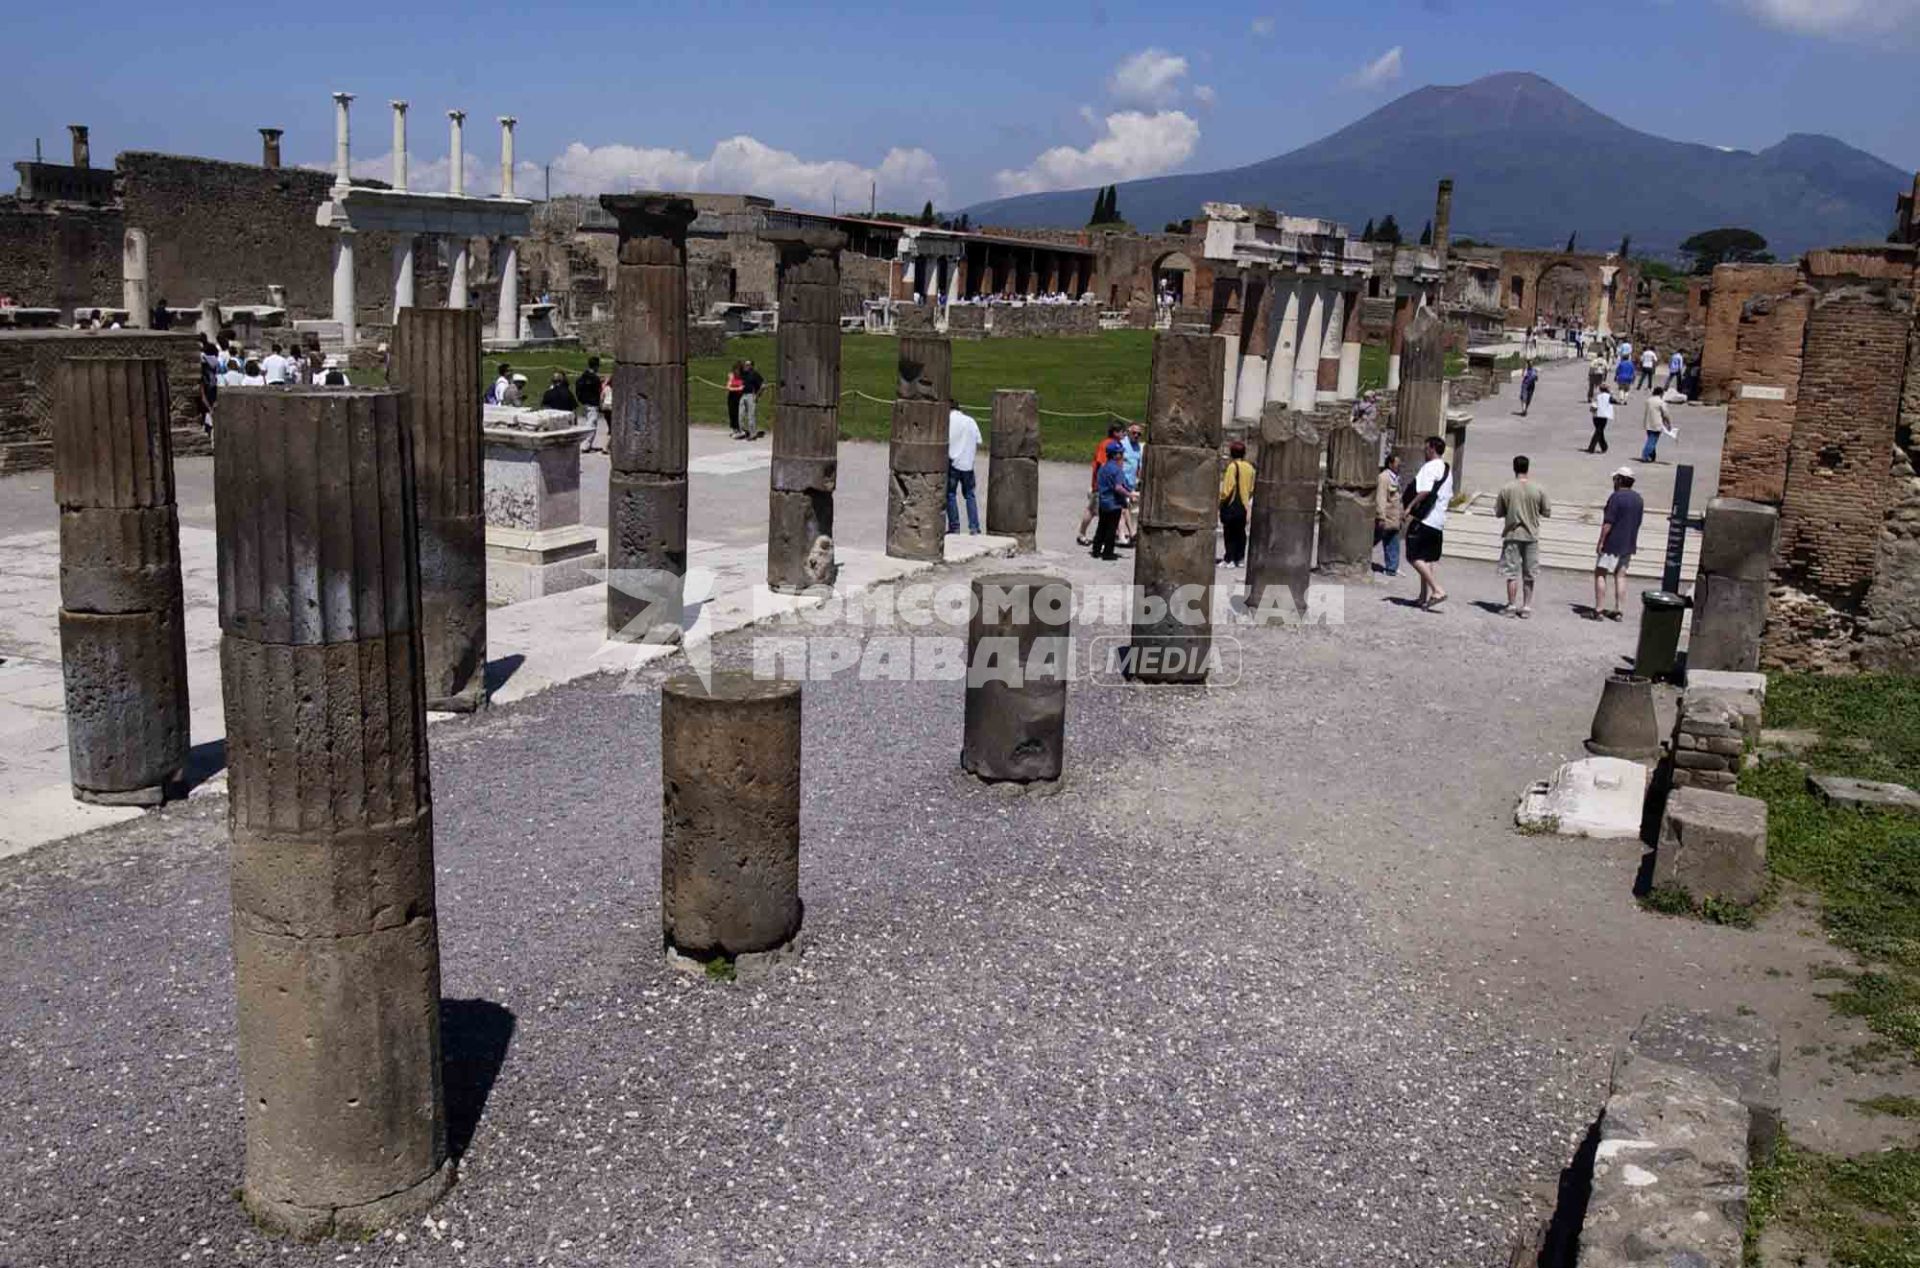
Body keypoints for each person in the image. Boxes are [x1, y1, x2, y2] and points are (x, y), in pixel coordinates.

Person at [1494, 455, 1551, 618]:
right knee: (1529, 573)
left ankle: (1511, 605)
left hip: (1512, 534)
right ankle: (1526, 606)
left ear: (1514, 468)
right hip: (1531, 535)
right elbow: (1546, 512)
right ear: (1528, 468)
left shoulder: (1507, 488)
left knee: (1512, 573)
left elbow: (1498, 512)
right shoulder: (1538, 489)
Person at [1403, 435, 1453, 610]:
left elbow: (1424, 491)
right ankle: (1423, 597)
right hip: (1438, 521)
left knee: (1413, 556)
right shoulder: (1447, 469)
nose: (1424, 451)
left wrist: (1409, 507)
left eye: (1426, 448)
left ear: (1432, 448)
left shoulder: (1429, 467)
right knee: (1426, 559)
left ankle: (1437, 590)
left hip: (1425, 519)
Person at [1593, 467, 1644, 620]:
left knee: (1601, 573)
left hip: (1612, 543)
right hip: (1629, 543)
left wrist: (1601, 541)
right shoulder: (1638, 499)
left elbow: (1608, 523)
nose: (1613, 482)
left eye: (1615, 479)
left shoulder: (1616, 498)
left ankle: (1599, 609)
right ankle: (1619, 610)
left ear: (1620, 480)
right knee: (1621, 576)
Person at [1077, 424, 1126, 545]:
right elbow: (1103, 465)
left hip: (1112, 484)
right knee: (1095, 510)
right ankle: (1082, 534)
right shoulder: (1106, 445)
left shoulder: (1117, 444)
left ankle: (1120, 536)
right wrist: (1102, 484)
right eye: (1122, 432)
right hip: (1103, 485)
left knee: (1115, 510)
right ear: (1115, 432)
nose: (1124, 434)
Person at [1090, 439, 1133, 561]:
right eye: (1120, 453)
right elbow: (1118, 487)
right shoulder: (1117, 470)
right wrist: (1129, 495)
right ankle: (1108, 553)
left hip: (1103, 501)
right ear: (1115, 455)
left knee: (1102, 526)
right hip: (1114, 503)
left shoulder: (1103, 468)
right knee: (1111, 528)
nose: (1122, 455)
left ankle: (1096, 550)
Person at [946, 400, 983, 534]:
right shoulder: (970, 421)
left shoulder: (948, 420)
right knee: (970, 495)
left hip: (953, 462)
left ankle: (954, 526)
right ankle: (974, 527)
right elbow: (979, 440)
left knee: (950, 494)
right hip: (968, 463)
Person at [1218, 439, 1255, 567]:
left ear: (1232, 453)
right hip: (1244, 505)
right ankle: (1240, 558)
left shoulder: (1232, 467)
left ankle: (1229, 558)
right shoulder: (1250, 468)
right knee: (1240, 532)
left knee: (1229, 532)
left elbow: (1228, 488)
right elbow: (1251, 489)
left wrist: (1221, 500)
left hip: (1232, 504)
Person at [1374, 454, 1403, 577]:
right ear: (1390, 464)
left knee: (1393, 542)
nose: (1399, 465)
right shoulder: (1384, 477)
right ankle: (1355, 557)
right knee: (1373, 539)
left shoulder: (1395, 478)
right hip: (1386, 517)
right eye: (1397, 463)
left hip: (1394, 518)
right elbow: (1380, 497)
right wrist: (1380, 516)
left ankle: (1392, 568)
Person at [1119, 422, 1144, 545]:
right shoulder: (1122, 444)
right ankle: (1125, 535)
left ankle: (1124, 534)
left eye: (1139, 434)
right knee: (1123, 509)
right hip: (1120, 482)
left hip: (1131, 483)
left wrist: (1139, 480)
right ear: (1128, 432)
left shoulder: (1138, 447)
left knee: (1126, 509)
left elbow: (1138, 466)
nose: (1136, 435)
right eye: (1134, 433)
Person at [575, 357, 604, 451]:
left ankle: (585, 444)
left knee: (587, 422)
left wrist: (581, 399)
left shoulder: (583, 377)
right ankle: (585, 445)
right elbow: (598, 391)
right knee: (591, 424)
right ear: (596, 366)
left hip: (584, 403)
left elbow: (578, 388)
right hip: (592, 403)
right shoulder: (595, 379)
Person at [1640, 389, 1673, 462]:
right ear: (1661, 393)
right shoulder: (1661, 402)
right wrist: (1668, 424)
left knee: (1651, 439)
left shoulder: (1649, 400)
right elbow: (1665, 414)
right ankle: (1645, 455)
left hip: (1648, 422)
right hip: (1657, 424)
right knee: (1652, 441)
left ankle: (1652, 456)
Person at [739, 359, 765, 440]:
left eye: (748, 365)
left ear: (751, 366)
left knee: (751, 416)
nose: (745, 366)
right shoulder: (743, 374)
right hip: (742, 396)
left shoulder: (755, 374)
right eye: (745, 364)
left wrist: (757, 396)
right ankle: (744, 432)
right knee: (740, 415)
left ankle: (753, 434)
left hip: (751, 396)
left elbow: (763, 385)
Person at [1587, 384, 1615, 454]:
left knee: (1599, 431)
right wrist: (1611, 393)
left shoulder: (1597, 396)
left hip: (1596, 416)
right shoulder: (1609, 397)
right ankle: (1591, 447)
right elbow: (1614, 401)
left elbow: (1593, 405)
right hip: (1603, 416)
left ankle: (1604, 446)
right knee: (1598, 431)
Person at [725, 361, 745, 437]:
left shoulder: (743, 376)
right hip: (732, 396)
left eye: (738, 370)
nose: (736, 372)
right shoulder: (731, 375)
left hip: (740, 397)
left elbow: (743, 387)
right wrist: (737, 388)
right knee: (732, 413)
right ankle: (734, 429)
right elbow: (728, 387)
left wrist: (736, 388)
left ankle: (740, 429)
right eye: (735, 370)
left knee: (739, 413)